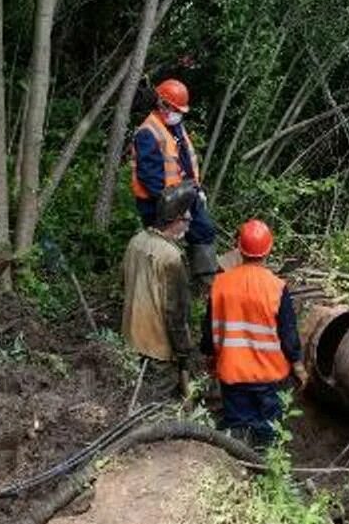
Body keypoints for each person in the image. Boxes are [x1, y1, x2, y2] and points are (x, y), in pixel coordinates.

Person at [200, 219, 308, 449]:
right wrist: (298, 366)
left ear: (239, 248)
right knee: (268, 430)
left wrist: (210, 357)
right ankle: (265, 469)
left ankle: (238, 470)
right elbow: (288, 335)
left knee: (237, 428)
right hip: (268, 378)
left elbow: (209, 330)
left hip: (232, 373)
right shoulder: (277, 287)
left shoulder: (220, 284)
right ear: (268, 250)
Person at [129, 77, 218, 289]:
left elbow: (185, 161)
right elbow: (150, 178)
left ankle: (204, 284)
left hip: (185, 195)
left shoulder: (175, 126)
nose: (178, 113)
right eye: (175, 108)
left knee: (204, 231)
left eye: (180, 110)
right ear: (162, 104)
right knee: (162, 250)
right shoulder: (148, 133)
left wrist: (195, 191)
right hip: (159, 203)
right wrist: (174, 207)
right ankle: (162, 288)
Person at [121, 185, 198, 395]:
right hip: (157, 350)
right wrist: (183, 352)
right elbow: (176, 313)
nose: (190, 224)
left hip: (129, 342)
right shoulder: (171, 257)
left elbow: (124, 284)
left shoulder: (136, 242)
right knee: (158, 406)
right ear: (176, 220)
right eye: (187, 219)